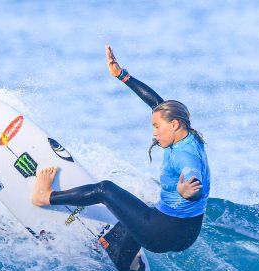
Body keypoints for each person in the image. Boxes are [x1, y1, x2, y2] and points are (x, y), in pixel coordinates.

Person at [32, 45, 210, 253]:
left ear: (174, 124)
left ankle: (46, 196)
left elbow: (193, 179)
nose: (154, 133)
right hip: (186, 235)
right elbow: (157, 105)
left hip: (163, 234)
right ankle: (126, 257)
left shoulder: (184, 156)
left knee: (105, 190)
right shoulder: (188, 136)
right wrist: (122, 75)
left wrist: (187, 192)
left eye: (156, 127)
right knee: (133, 207)